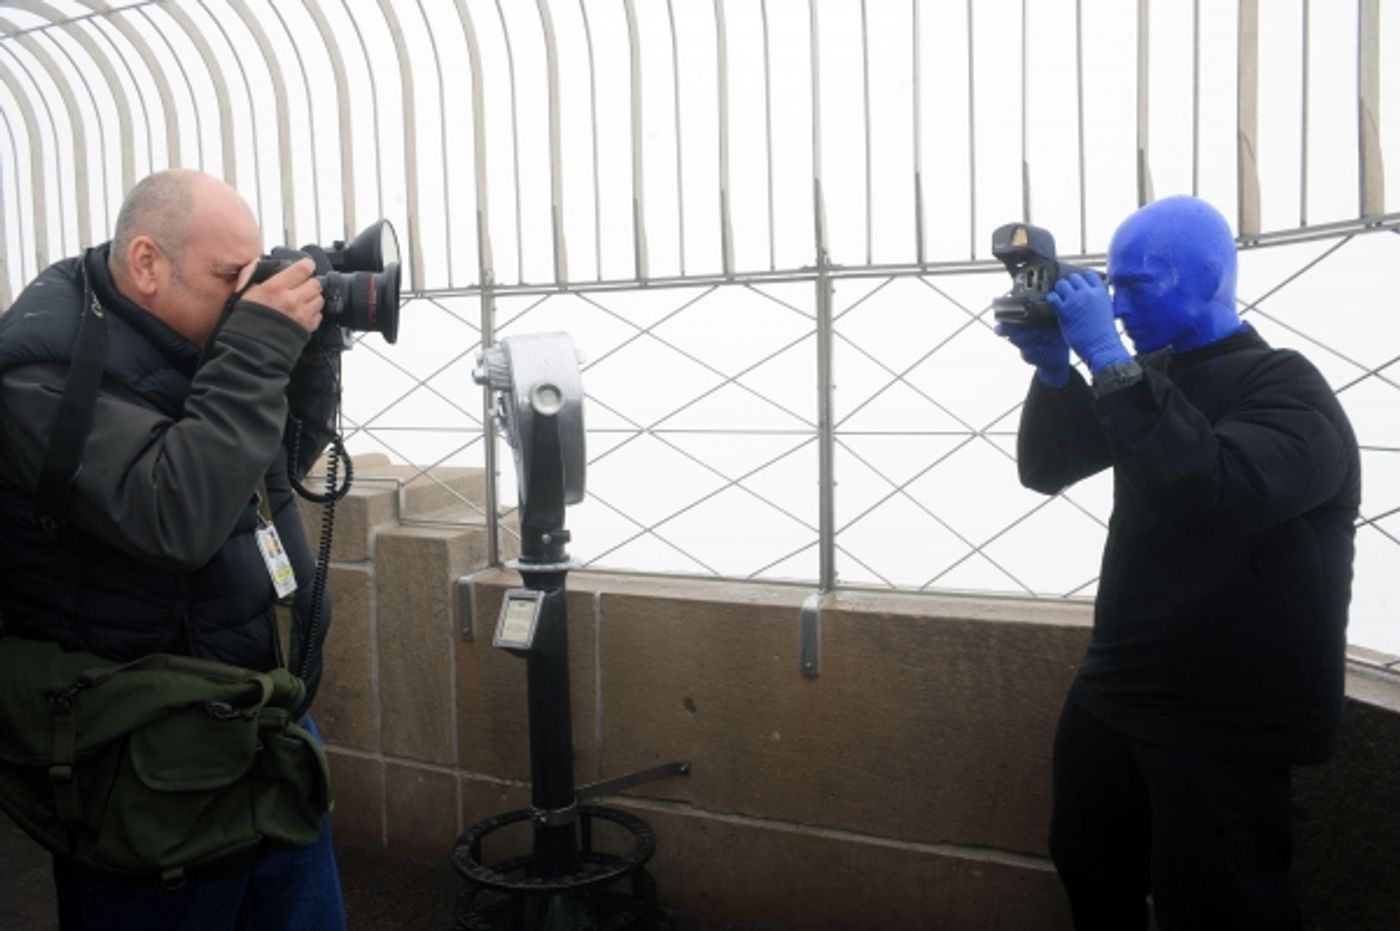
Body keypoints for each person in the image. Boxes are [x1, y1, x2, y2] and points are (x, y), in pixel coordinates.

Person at [997, 195, 1361, 931]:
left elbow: (1214, 492)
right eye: (1113, 281)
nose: (1118, 302)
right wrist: (1057, 374)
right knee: (1089, 864)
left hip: (1224, 713)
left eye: (1138, 283)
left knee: (1222, 905)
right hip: (1118, 685)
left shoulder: (1288, 390)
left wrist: (1107, 359)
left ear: (1206, 278)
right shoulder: (1149, 374)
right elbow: (1046, 466)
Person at [0, 169, 347, 930]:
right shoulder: (39, 369)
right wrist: (258, 348)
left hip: (262, 723)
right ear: (149, 264)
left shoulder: (187, 327)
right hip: (148, 770)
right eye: (231, 277)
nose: (246, 293)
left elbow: (272, 467)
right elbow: (174, 515)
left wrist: (309, 357)